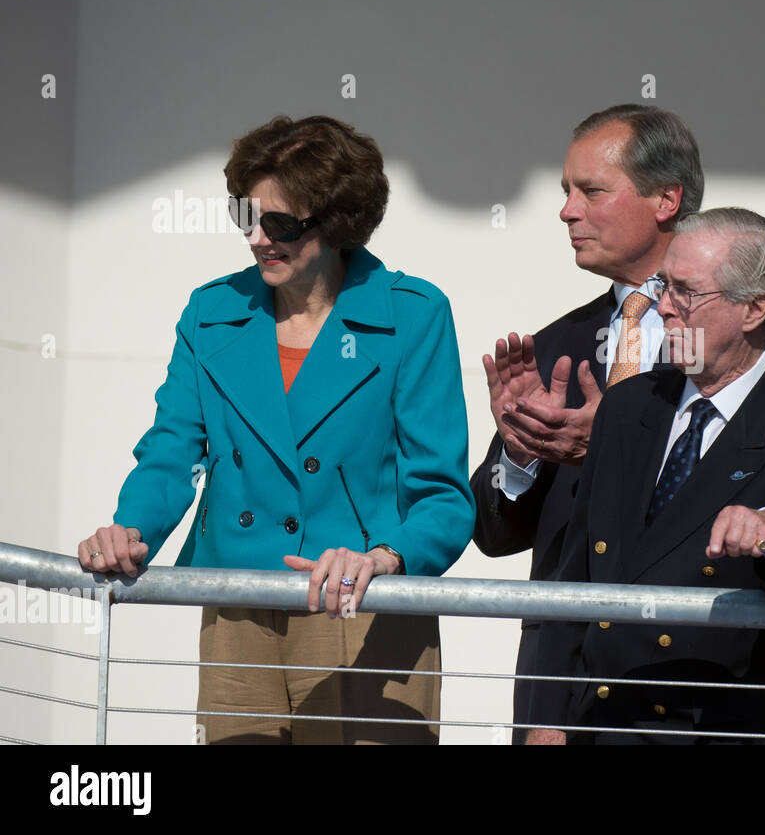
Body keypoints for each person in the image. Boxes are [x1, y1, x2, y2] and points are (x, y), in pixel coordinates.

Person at [77, 115, 475, 744]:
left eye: (281, 224)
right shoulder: (212, 311)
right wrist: (130, 530)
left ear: (338, 222)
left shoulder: (413, 314)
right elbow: (173, 451)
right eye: (247, 218)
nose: (259, 239)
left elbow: (444, 496)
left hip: (364, 611)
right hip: (238, 605)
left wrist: (384, 558)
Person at [470, 104, 765, 739]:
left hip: (708, 684)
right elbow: (496, 535)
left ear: (667, 199)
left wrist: (609, 442)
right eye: (565, 192)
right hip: (565, 684)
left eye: (592, 191)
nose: (567, 211)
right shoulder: (557, 342)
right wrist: (523, 451)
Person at [526, 208, 765, 744]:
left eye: (685, 292)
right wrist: (546, 719)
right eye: (665, 285)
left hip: (716, 727)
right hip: (601, 720)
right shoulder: (629, 406)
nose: (663, 307)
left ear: (755, 309)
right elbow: (574, 578)